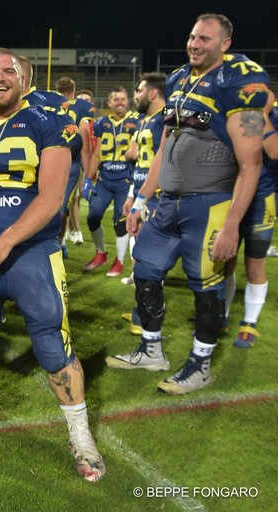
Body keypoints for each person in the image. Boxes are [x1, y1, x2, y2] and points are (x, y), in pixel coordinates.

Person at [0, 48, 105, 482]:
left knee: (50, 341)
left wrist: (5, 242)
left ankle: (80, 435)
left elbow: (51, 197)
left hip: (31, 253)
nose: (0, 77)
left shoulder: (50, 120)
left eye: (10, 71)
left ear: (24, 81)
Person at [105, 13, 269, 394]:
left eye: (205, 39)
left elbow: (252, 163)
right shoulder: (179, 79)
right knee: (145, 271)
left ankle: (200, 364)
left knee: (205, 286)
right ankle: (151, 350)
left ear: (225, 44)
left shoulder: (241, 81)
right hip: (168, 202)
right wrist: (141, 199)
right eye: (193, 37)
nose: (195, 44)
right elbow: (164, 147)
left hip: (211, 203)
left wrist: (231, 225)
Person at [223, 90, 278, 347]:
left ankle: (249, 323)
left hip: (260, 199)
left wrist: (262, 114)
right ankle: (221, 315)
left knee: (254, 263)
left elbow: (274, 151)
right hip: (230, 198)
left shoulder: (271, 116)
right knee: (225, 260)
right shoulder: (236, 116)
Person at [83, 86, 138, 277]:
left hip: (126, 179)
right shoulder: (101, 123)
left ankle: (120, 261)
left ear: (127, 101)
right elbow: (96, 154)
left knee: (120, 222)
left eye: (123, 99)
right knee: (92, 216)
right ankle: (100, 253)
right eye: (116, 99)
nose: (120, 102)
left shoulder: (136, 121)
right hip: (105, 179)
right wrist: (89, 179)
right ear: (109, 103)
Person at [120, 72, 167, 291]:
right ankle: (138, 277)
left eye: (139, 90)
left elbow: (165, 160)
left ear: (154, 93)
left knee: (153, 250)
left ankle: (151, 294)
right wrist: (132, 193)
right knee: (135, 235)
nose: (135, 95)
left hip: (158, 195)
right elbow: (138, 162)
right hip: (140, 189)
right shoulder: (144, 121)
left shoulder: (166, 120)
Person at [55, 76, 96, 254]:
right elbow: (85, 142)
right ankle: (60, 245)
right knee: (63, 208)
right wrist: (88, 176)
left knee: (49, 206)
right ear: (73, 91)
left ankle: (56, 244)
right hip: (72, 163)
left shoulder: (49, 104)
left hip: (49, 161)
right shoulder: (83, 107)